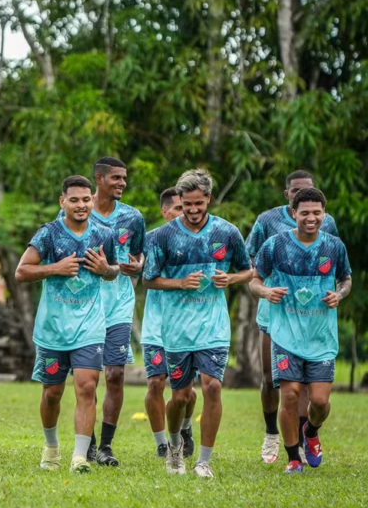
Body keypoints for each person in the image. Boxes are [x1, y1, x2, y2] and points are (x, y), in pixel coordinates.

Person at [143, 170, 252, 478]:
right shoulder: (164, 236)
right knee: (179, 397)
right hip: (177, 330)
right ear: (180, 201)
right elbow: (149, 280)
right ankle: (175, 448)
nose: (192, 210)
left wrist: (230, 278)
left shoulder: (227, 232)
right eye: (187, 204)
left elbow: (249, 271)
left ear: (208, 199)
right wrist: (179, 283)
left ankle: (204, 461)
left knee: (213, 387)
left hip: (214, 327)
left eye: (198, 204)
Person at [17, 175, 119, 473]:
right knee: (52, 393)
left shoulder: (104, 234)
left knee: (87, 387)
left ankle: (79, 457)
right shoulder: (48, 234)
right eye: (74, 200)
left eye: (86, 199)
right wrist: (55, 268)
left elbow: (113, 270)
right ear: (62, 202)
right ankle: (51, 447)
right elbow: (22, 271)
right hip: (53, 328)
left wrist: (105, 269)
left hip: (89, 326)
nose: (81, 205)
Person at [249, 188, 351, 473]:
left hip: (320, 336)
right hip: (285, 334)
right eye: (304, 212)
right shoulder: (274, 245)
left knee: (319, 402)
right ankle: (293, 458)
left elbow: (346, 280)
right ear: (293, 213)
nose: (311, 218)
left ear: (324, 214)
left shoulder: (334, 247)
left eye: (317, 213)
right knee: (290, 394)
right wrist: (266, 291)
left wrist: (339, 295)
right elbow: (254, 280)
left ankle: (311, 432)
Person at [59, 158, 145, 466]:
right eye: (117, 178)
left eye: (125, 178)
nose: (122, 183)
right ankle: (89, 442)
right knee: (89, 378)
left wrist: (139, 264)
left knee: (115, 373)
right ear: (100, 178)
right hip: (85, 306)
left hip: (119, 304)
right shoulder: (76, 210)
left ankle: (106, 445)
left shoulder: (133, 218)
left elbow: (138, 253)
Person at [141, 188, 197, 458]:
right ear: (164, 212)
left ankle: (185, 428)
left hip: (188, 327)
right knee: (156, 383)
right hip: (156, 326)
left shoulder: (199, 240)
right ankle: (162, 444)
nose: (183, 213)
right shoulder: (150, 240)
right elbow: (134, 267)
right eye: (177, 208)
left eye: (185, 207)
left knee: (187, 393)